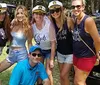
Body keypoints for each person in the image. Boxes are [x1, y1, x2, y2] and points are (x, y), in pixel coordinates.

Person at [71, 0, 100, 85]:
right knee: (76, 81)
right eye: (73, 7)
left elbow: (97, 40)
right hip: (77, 55)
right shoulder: (76, 19)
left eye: (78, 6)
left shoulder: (88, 21)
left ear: (83, 7)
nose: (75, 9)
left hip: (86, 57)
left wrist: (98, 54)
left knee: (79, 82)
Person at [0, 5, 32, 72]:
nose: (19, 15)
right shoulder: (13, 23)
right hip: (11, 54)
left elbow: (29, 43)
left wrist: (31, 55)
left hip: (22, 55)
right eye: (18, 13)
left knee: (22, 77)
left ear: (25, 14)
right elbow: (8, 36)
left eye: (21, 13)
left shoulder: (28, 28)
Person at [48, 1, 74, 85]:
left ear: (61, 9)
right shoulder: (51, 22)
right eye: (52, 11)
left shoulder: (69, 21)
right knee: (62, 76)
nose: (55, 13)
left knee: (64, 75)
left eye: (57, 10)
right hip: (60, 53)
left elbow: (76, 37)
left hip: (70, 53)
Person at [32, 5, 56, 85]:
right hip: (40, 50)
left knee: (48, 72)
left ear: (44, 15)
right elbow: (28, 40)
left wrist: (52, 59)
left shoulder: (49, 25)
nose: (38, 16)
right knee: (39, 71)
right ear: (33, 15)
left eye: (41, 14)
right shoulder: (32, 26)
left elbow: (53, 43)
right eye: (36, 13)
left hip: (49, 50)